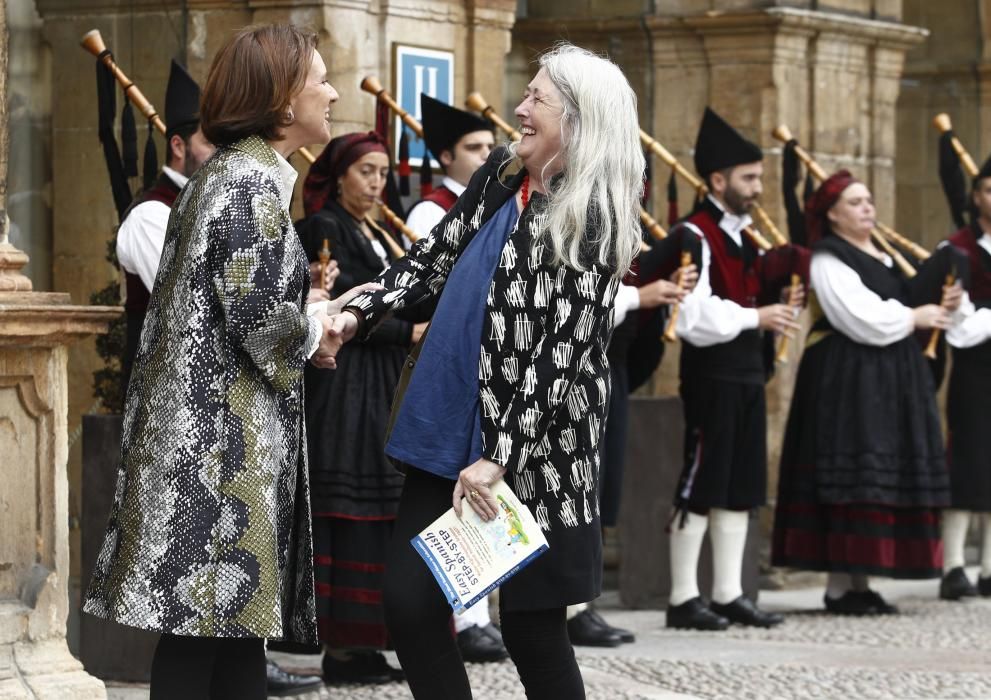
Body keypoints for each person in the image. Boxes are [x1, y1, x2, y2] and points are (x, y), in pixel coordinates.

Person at [328, 43, 644, 699]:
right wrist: (358, 312)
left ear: (579, 120)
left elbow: (560, 356)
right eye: (525, 94)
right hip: (449, 429)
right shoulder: (501, 173)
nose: (520, 110)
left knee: (532, 631)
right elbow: (432, 258)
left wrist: (500, 454)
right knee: (410, 606)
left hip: (540, 454)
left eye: (537, 99)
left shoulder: (594, 212)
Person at [82, 24, 368, 699]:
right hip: (214, 456)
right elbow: (261, 324)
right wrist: (323, 327)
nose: (331, 92)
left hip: (220, 449)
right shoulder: (244, 185)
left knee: (231, 634)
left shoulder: (236, 177)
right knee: (201, 635)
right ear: (280, 98)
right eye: (319, 79)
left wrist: (310, 330)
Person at [772, 170, 965, 614]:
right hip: (847, 379)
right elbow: (860, 317)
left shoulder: (884, 255)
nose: (868, 208)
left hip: (887, 377)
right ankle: (841, 586)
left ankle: (861, 582)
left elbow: (906, 301)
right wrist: (916, 317)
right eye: (856, 202)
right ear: (833, 215)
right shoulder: (827, 258)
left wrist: (938, 303)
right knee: (851, 471)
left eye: (869, 200)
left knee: (875, 475)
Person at [665, 108, 804, 631]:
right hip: (712, 374)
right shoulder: (694, 234)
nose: (758, 188)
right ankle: (682, 598)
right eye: (749, 178)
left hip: (747, 374)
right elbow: (694, 317)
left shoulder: (746, 239)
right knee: (702, 481)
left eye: (761, 177)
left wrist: (780, 298)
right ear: (717, 180)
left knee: (740, 484)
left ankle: (727, 593)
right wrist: (758, 314)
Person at [295, 131, 425, 683]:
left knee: (384, 512)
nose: (377, 183)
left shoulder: (372, 229)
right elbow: (348, 304)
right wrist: (409, 332)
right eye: (365, 172)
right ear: (339, 176)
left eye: (381, 173)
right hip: (348, 387)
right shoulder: (326, 226)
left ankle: (368, 644)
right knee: (354, 512)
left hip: (379, 385)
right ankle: (345, 650)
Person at [403, 94, 513, 661]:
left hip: (479, 364)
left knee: (480, 492)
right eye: (472, 147)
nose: (484, 154)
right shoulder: (433, 211)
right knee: (454, 485)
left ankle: (474, 610)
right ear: (445, 156)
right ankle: (462, 617)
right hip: (450, 361)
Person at [115, 60, 214, 388]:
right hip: (161, 393)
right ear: (177, 145)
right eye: (210, 144)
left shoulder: (205, 206)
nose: (220, 156)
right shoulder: (150, 216)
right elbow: (188, 300)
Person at [941, 157, 991, 600]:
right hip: (975, 370)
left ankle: (990, 564)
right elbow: (962, 327)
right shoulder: (957, 249)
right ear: (976, 196)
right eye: (990, 190)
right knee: (968, 459)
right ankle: (953, 564)